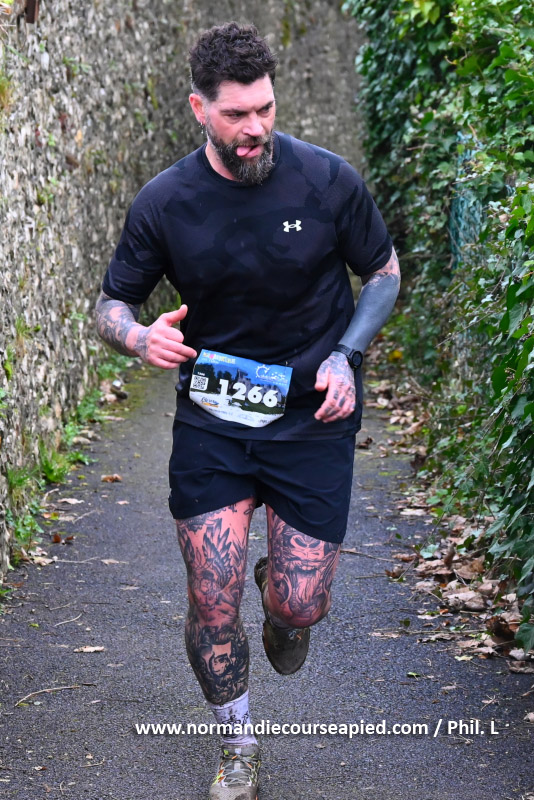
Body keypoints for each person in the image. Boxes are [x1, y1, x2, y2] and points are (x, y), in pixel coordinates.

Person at [95, 21, 400, 800]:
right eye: (236, 114)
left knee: (302, 603)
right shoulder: (165, 202)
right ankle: (239, 747)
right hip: (216, 420)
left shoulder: (327, 181)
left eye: (265, 108)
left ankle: (283, 602)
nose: (256, 126)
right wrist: (138, 337)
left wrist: (346, 355)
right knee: (209, 594)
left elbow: (384, 273)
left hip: (312, 416)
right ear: (200, 109)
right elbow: (112, 303)